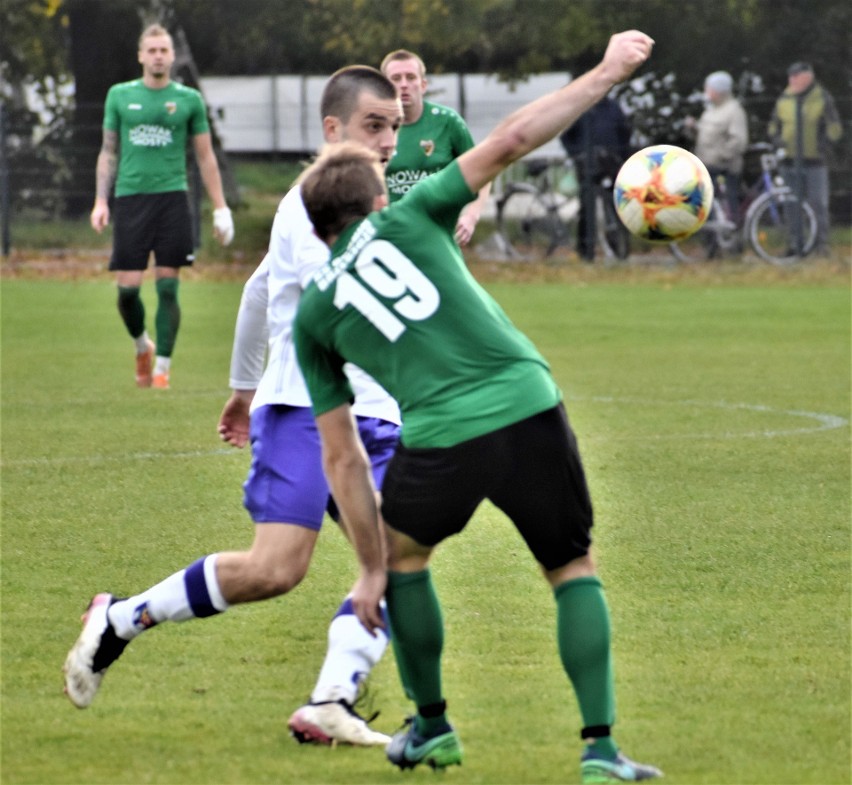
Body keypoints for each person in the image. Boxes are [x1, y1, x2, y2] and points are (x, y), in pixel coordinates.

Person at [293, 30, 662, 783]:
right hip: (527, 401)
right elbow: (516, 136)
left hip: (441, 434)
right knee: (571, 565)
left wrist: (366, 569)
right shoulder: (415, 211)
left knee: (401, 561)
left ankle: (431, 726)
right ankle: (599, 750)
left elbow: (341, 455)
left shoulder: (315, 316)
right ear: (372, 198)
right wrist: (606, 70)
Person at [64, 65, 404, 748]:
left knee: (402, 560)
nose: (390, 138)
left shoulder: (374, 207)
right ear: (332, 129)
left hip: (374, 411)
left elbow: (257, 290)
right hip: (308, 409)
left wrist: (242, 389)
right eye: (375, 124)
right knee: (276, 568)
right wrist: (259, 392)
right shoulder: (314, 208)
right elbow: (336, 305)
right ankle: (119, 619)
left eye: (395, 124)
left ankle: (331, 697)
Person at [90, 24, 234, 390]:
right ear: (140, 55)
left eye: (163, 50)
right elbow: (108, 151)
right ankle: (143, 345)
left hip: (172, 199)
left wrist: (221, 208)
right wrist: (101, 200)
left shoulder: (188, 100)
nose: (157, 56)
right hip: (130, 198)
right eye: (151, 50)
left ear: (172, 56)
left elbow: (205, 157)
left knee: (168, 288)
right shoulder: (119, 96)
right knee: (127, 292)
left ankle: (162, 369)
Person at [380, 49, 490, 247]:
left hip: (440, 239)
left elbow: (483, 171)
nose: (404, 84)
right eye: (396, 78)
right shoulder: (374, 127)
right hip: (392, 238)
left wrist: (471, 216)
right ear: (383, 87)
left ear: (423, 85)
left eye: (410, 77)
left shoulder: (447, 122)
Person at [768, 61, 843, 255]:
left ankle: (820, 245)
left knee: (818, 204)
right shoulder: (784, 98)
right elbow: (773, 126)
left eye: (796, 76)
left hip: (814, 162)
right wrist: (778, 141)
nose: (791, 80)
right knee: (791, 204)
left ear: (807, 77)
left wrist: (823, 145)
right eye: (790, 76)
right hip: (789, 161)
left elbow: (835, 128)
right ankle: (795, 244)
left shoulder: (822, 98)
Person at [560, 94, 631, 260]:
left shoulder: (613, 107)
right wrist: (578, 154)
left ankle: (618, 247)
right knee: (587, 206)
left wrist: (620, 155)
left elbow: (624, 132)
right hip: (587, 165)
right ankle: (585, 249)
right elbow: (567, 136)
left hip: (610, 163)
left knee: (616, 204)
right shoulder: (582, 108)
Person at [688, 71, 748, 222]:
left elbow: (739, 140)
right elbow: (704, 136)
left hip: (724, 168)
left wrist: (721, 156)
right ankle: (710, 239)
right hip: (706, 165)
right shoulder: (710, 111)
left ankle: (732, 234)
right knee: (705, 202)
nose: (706, 92)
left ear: (719, 90)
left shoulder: (734, 110)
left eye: (708, 88)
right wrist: (693, 129)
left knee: (728, 202)